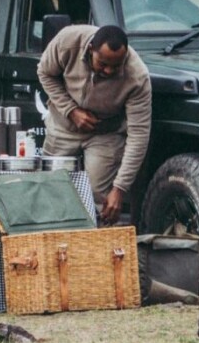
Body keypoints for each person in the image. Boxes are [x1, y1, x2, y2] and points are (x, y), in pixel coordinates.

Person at [36, 24, 152, 224]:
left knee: (98, 196)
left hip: (105, 133)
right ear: (91, 50)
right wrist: (71, 110)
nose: (108, 70)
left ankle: (95, 248)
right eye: (103, 63)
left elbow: (139, 135)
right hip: (63, 126)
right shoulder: (68, 41)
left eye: (116, 66)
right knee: (50, 187)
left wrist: (120, 188)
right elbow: (45, 73)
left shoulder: (138, 77)